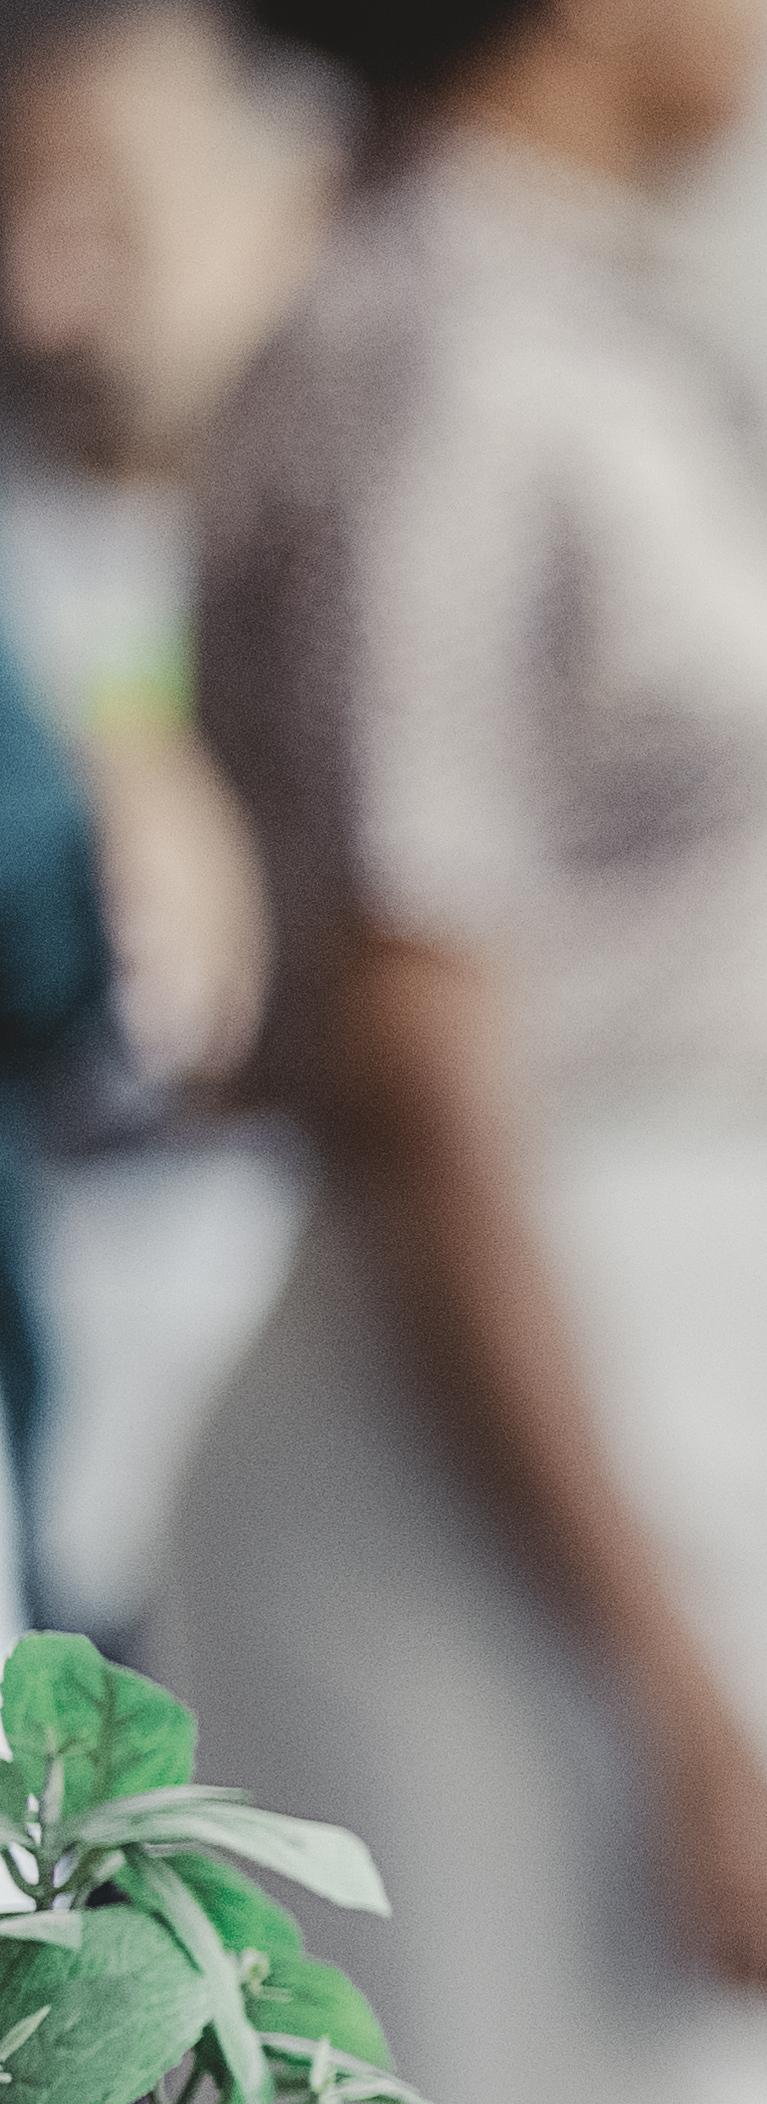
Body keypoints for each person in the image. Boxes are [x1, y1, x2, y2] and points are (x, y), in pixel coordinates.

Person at [156, 0, 767, 2104]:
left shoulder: (593, 319)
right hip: (483, 1395)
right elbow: (422, 1045)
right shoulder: (435, 359)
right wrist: (693, 1715)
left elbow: (609, 899)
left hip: (649, 1326)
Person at [0, 0, 324, 1636]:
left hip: (349, 1494)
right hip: (79, 1530)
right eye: (13, 211)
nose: (36, 290)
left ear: (296, 199)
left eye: (101, 216)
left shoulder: (381, 532)